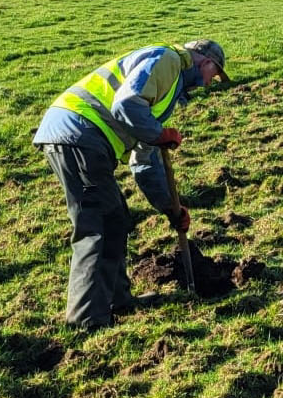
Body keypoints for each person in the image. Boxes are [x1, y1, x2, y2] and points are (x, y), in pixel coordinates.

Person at [33, 40, 230, 329]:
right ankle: (87, 319)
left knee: (115, 219)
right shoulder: (169, 61)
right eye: (215, 74)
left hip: (80, 138)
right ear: (206, 61)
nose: (210, 83)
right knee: (98, 224)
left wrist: (171, 208)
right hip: (79, 132)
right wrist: (158, 133)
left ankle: (117, 301)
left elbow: (144, 162)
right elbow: (126, 104)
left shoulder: (165, 92)